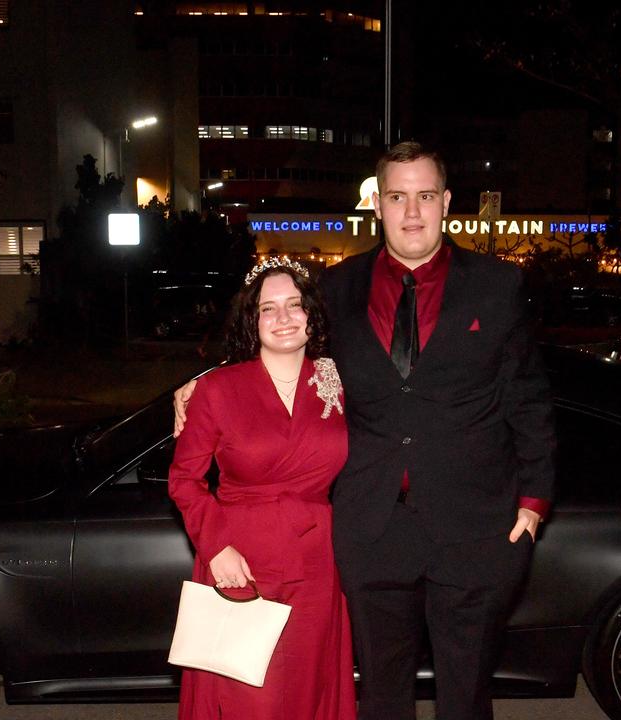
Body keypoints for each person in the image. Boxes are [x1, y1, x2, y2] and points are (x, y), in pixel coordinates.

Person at [177, 141, 555, 720]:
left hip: (477, 530)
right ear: (377, 204)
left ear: (446, 201)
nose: (412, 212)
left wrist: (532, 502)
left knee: (466, 696)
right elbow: (282, 351)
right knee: (380, 696)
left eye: (425, 196)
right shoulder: (336, 288)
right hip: (371, 531)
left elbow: (528, 397)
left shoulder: (497, 285)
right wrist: (197, 387)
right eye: (398, 197)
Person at [167, 259, 357, 720]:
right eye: (268, 309)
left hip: (316, 564)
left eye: (294, 305)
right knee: (250, 698)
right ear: (253, 322)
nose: (284, 318)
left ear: (311, 314)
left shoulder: (336, 380)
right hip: (242, 562)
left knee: (309, 692)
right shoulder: (217, 389)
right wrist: (216, 548)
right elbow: (184, 480)